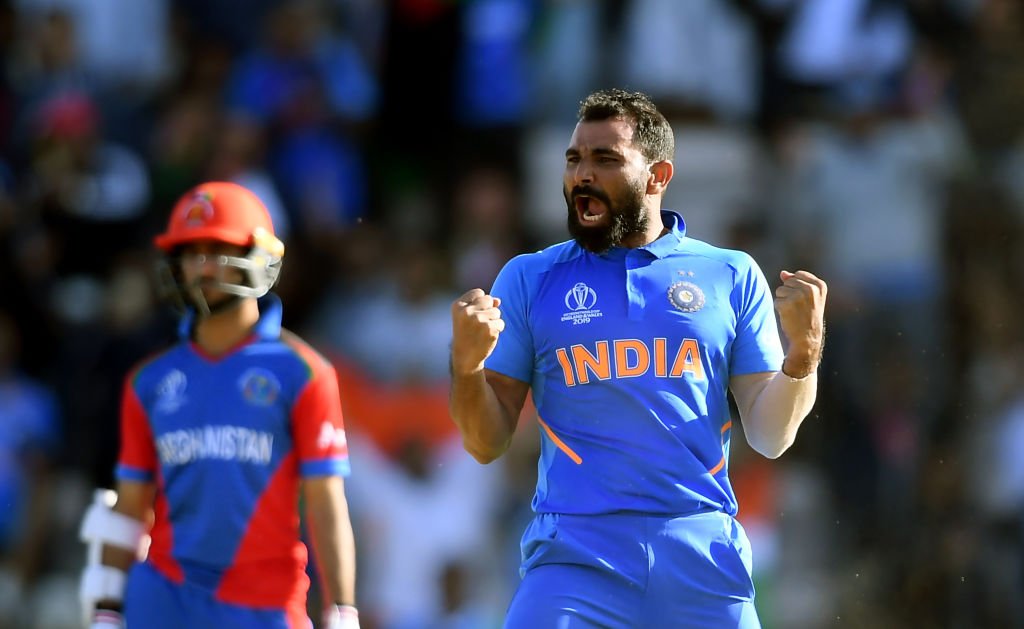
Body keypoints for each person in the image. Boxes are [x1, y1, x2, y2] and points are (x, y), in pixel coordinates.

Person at [449, 88, 827, 628]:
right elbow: (485, 443)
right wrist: (466, 369)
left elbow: (770, 436)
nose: (583, 174)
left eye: (606, 159)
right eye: (575, 159)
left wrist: (803, 357)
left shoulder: (730, 274)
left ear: (658, 175)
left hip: (701, 555)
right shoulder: (528, 278)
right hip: (576, 558)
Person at [78, 181, 360, 629]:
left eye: (216, 249)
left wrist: (341, 610)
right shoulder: (148, 381)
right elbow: (132, 504)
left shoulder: (304, 373)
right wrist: (108, 611)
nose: (201, 266)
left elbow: (326, 503)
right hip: (163, 598)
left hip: (266, 605)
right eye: (191, 253)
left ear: (260, 257)